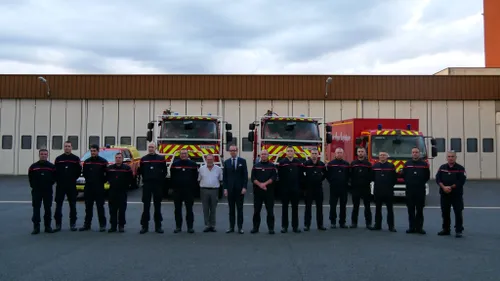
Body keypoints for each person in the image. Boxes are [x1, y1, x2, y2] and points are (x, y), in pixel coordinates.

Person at [435, 150, 467, 238]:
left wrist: (450, 187)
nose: (450, 158)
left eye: (452, 156)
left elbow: (461, 181)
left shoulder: (460, 168)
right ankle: (446, 229)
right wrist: (443, 187)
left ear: (455, 157)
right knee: (445, 212)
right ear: (446, 158)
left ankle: (458, 230)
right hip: (444, 194)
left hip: (456, 195)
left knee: (458, 212)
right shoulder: (442, 167)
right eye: (449, 156)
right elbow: (438, 179)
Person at [138, 142, 167, 234]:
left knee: (157, 206)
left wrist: (159, 179)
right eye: (149, 147)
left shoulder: (161, 159)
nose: (151, 148)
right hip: (147, 185)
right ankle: (144, 226)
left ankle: (158, 226)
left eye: (152, 147)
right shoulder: (143, 159)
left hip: (157, 185)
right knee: (146, 206)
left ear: (155, 148)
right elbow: (141, 171)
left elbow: (164, 171)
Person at [53, 141, 82, 232]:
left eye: (68, 146)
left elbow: (78, 171)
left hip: (71, 185)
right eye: (65, 146)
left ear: (71, 147)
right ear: (64, 147)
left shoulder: (75, 159)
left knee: (72, 205)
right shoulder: (59, 159)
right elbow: (55, 171)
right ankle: (58, 225)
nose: (67, 148)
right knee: (58, 205)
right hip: (60, 185)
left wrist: (72, 179)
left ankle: (72, 224)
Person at [79, 144, 108, 232]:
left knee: (100, 207)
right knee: (88, 207)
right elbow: (85, 173)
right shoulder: (87, 162)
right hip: (89, 187)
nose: (93, 152)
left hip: (99, 187)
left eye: (94, 151)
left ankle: (102, 225)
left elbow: (106, 175)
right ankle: (87, 225)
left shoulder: (103, 162)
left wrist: (100, 182)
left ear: (98, 151)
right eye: (91, 151)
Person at [402, 147, 430, 235]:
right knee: (410, 210)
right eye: (413, 152)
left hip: (420, 190)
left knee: (419, 210)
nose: (415, 154)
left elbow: (427, 176)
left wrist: (419, 183)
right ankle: (411, 227)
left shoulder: (424, 164)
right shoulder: (407, 164)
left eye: (416, 152)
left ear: (419, 153)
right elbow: (404, 175)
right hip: (410, 190)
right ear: (411, 154)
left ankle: (419, 228)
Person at [28, 149, 57, 234]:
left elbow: (54, 178)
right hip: (36, 191)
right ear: (39, 155)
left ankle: (47, 226)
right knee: (36, 208)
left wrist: (49, 184)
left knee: (47, 209)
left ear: (47, 155)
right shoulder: (33, 167)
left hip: (47, 191)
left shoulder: (51, 166)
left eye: (45, 154)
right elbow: (30, 178)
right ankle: (36, 227)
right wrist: (34, 186)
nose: (43, 155)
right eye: (42, 154)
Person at [171, 148, 199, 233]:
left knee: (189, 209)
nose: (183, 155)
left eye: (185, 153)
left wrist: (193, 189)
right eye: (182, 154)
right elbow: (172, 177)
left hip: (189, 191)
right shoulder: (175, 164)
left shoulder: (193, 164)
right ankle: (178, 227)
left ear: (188, 155)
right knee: (177, 209)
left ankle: (190, 227)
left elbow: (195, 177)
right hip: (177, 191)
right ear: (179, 155)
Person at [277, 146, 304, 233]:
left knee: (295, 209)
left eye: (291, 151)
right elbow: (279, 176)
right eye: (288, 151)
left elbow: (301, 176)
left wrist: (300, 188)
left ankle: (295, 227)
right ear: (286, 153)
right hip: (285, 190)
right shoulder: (282, 163)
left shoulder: (298, 163)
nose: (290, 152)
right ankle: (284, 226)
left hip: (295, 189)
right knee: (284, 208)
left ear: (294, 153)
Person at [250, 150, 277, 234]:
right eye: (262, 154)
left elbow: (273, 177)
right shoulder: (256, 166)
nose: (264, 155)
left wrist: (264, 184)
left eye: (265, 154)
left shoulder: (272, 166)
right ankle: (255, 228)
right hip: (258, 192)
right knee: (256, 211)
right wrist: (260, 185)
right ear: (260, 155)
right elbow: (252, 178)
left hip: (269, 192)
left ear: (268, 155)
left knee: (270, 211)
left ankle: (271, 228)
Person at [370, 151, 397, 232]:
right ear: (378, 157)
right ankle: (377, 225)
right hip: (378, 191)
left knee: (390, 210)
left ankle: (391, 226)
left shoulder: (391, 166)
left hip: (388, 191)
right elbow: (372, 177)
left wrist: (389, 185)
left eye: (384, 155)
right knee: (378, 209)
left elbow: (394, 179)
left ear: (387, 156)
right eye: (381, 155)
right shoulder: (375, 166)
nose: (382, 156)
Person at [223, 145, 248, 234]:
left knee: (240, 209)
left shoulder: (242, 161)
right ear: (229, 152)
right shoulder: (226, 162)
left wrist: (244, 187)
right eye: (231, 150)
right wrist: (225, 188)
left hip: (240, 189)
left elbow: (245, 175)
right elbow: (225, 177)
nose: (233, 152)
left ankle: (240, 227)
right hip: (230, 189)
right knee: (231, 209)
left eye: (234, 150)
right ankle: (231, 227)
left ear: (237, 151)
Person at [106, 152, 133, 233]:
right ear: (115, 158)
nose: (118, 159)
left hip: (122, 191)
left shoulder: (127, 168)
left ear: (122, 159)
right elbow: (107, 177)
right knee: (112, 210)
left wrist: (126, 186)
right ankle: (113, 226)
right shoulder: (110, 168)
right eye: (116, 157)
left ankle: (121, 226)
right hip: (112, 191)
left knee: (122, 209)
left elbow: (130, 178)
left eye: (119, 157)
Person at [326, 147, 350, 229]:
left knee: (343, 206)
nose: (339, 154)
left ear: (343, 154)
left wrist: (346, 183)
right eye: (338, 152)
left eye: (341, 152)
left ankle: (342, 222)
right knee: (333, 205)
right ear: (335, 154)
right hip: (334, 188)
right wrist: (332, 182)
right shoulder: (331, 164)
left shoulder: (346, 164)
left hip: (343, 188)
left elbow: (348, 175)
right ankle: (333, 222)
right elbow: (327, 175)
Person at [303, 148, 327, 231]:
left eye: (315, 153)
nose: (314, 155)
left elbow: (325, 175)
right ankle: (307, 225)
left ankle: (320, 225)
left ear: (318, 154)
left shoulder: (321, 164)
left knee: (319, 208)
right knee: (308, 208)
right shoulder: (305, 164)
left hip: (318, 188)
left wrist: (319, 179)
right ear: (310, 154)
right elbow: (302, 174)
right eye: (312, 153)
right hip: (309, 188)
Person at [349, 147, 373, 229]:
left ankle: (368, 223)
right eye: (359, 151)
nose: (360, 153)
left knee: (367, 206)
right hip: (355, 188)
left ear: (365, 153)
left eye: (362, 151)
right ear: (357, 153)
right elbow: (350, 175)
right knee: (355, 206)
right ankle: (354, 223)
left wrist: (367, 182)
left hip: (366, 188)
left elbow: (371, 176)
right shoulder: (353, 164)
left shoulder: (368, 164)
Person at [198, 154, 222, 232]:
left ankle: (213, 225)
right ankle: (207, 225)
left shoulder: (218, 169)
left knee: (213, 208)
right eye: (208, 159)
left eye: (211, 159)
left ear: (213, 160)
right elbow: (199, 179)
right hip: (204, 190)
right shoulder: (201, 169)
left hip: (214, 190)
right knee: (205, 208)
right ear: (206, 160)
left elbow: (220, 179)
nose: (209, 161)